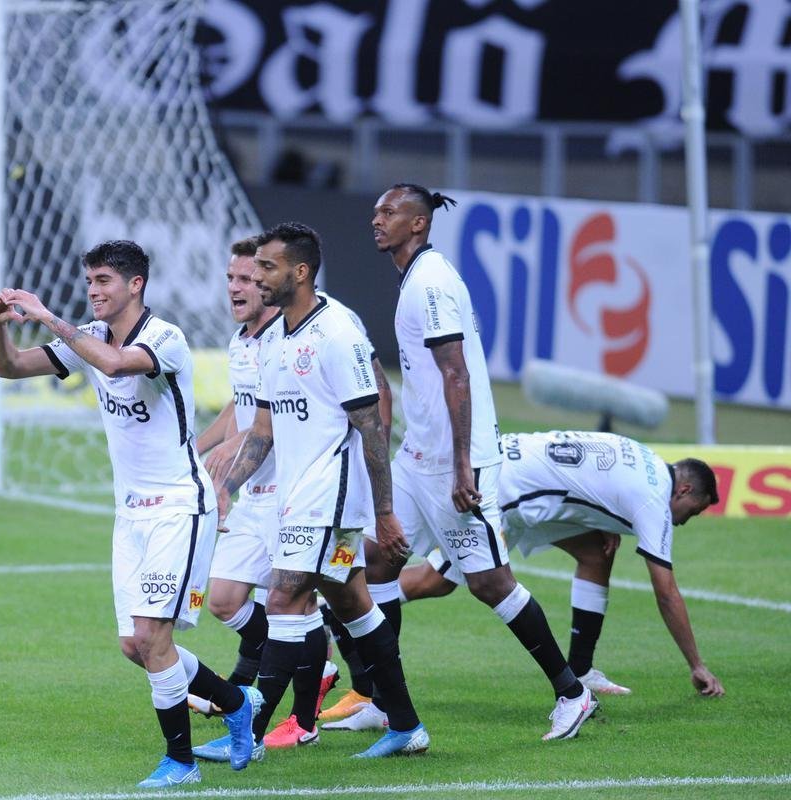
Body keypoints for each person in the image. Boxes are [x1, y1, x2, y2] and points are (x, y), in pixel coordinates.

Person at [0, 240, 261, 788]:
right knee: (135, 647)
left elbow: (115, 364)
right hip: (130, 513)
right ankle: (236, 703)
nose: (94, 290)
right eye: (90, 281)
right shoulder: (89, 337)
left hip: (180, 507)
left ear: (136, 285)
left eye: (104, 281)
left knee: (152, 636)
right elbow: (10, 367)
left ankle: (179, 764)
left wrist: (48, 317)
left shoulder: (165, 338)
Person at [373, 184, 596, 741]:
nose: (376, 219)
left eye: (390, 212)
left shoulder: (429, 282)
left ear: (418, 224)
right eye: (377, 210)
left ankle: (572, 692)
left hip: (453, 461)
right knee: (375, 562)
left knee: (490, 583)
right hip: (417, 454)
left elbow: (457, 374)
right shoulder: (415, 278)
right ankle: (384, 702)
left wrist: (463, 465)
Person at [215, 222, 429, 759]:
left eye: (267, 266)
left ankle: (251, 730)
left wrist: (384, 512)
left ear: (300, 271)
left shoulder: (337, 333)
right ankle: (405, 725)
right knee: (353, 603)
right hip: (295, 495)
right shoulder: (271, 340)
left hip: (330, 497)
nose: (257, 276)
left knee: (285, 598)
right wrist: (225, 487)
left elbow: (372, 426)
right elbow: (263, 431)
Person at [394, 431, 725, 699]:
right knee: (435, 581)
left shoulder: (647, 458)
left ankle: (581, 669)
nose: (685, 521)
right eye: (693, 511)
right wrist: (697, 665)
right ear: (684, 489)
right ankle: (353, 607)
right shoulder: (655, 502)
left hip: (511, 468)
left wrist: (602, 520)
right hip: (500, 489)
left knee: (597, 552)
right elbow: (666, 594)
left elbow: (594, 474)